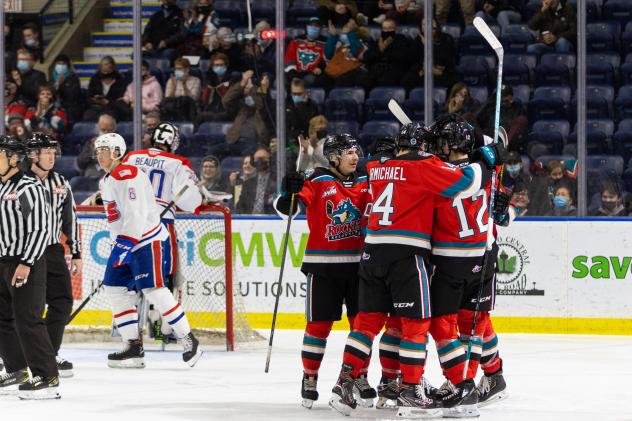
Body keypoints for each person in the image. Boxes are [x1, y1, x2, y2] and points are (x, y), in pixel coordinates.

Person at [329, 122, 504, 417]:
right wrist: (487, 158)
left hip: (372, 254)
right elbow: (466, 181)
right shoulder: (427, 166)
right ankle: (413, 390)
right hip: (408, 255)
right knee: (419, 325)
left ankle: (344, 384)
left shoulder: (377, 166)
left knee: (367, 324)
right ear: (424, 148)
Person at [274, 134, 372, 409]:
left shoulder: (366, 180)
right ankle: (310, 377)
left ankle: (359, 376)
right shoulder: (317, 179)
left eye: (355, 151)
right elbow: (287, 210)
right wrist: (288, 191)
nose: (354, 157)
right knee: (318, 327)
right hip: (323, 266)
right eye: (348, 152)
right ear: (333, 157)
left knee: (361, 327)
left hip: (359, 267)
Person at [95, 132, 201, 368]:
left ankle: (188, 339)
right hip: (124, 242)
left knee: (154, 290)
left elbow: (136, 214)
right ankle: (133, 346)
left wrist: (126, 242)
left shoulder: (128, 174)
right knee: (114, 288)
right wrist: (120, 243)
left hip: (145, 241)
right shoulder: (108, 180)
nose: (100, 154)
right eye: (98, 150)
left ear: (116, 152)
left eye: (105, 149)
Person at [427, 115, 507, 414]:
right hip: (484, 253)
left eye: (441, 142)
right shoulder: (484, 170)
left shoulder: (439, 172)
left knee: (446, 324)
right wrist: (492, 155)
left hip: (451, 258)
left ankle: (462, 384)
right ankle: (486, 376)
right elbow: (488, 153)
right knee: (474, 323)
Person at [122, 123, 204, 340]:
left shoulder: (131, 157)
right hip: (161, 226)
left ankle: (126, 331)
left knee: (127, 278)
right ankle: (164, 330)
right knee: (164, 278)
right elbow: (189, 201)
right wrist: (202, 197)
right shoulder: (178, 163)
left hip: (130, 225)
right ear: (173, 142)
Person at [0, 136, 59, 399]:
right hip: (2, 261)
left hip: (25, 262)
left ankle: (47, 376)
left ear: (14, 158)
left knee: (29, 320)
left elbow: (40, 228)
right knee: (2, 319)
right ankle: (17, 369)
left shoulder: (28, 187)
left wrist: (25, 263)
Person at [24, 134, 81, 378]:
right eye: (46, 152)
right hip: (24, 251)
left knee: (62, 301)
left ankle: (48, 353)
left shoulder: (60, 182)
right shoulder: (19, 182)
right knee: (28, 307)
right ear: (33, 155)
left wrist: (76, 252)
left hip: (53, 250)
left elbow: (70, 218)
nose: (51, 156)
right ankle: (17, 356)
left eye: (52, 152)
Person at [402, 16, 457, 91]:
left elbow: (447, 57)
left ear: (436, 26)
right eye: (424, 24)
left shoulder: (446, 38)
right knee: (407, 80)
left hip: (442, 70)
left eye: (431, 24)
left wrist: (429, 45)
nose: (427, 27)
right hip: (423, 70)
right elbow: (412, 57)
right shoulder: (419, 39)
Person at [360, 18, 412, 90]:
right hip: (376, 69)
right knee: (364, 81)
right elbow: (366, 57)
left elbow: (404, 57)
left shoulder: (401, 40)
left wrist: (388, 48)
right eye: (384, 28)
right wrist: (380, 49)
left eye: (390, 28)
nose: (387, 31)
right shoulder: (379, 41)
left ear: (396, 29)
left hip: (394, 69)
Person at [476, 85, 528, 153]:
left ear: (511, 97)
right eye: (499, 96)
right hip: (490, 141)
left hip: (509, 142)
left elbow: (522, 123)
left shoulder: (517, 108)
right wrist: (488, 101)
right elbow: (476, 118)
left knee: (521, 119)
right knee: (468, 117)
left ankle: (502, 149)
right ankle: (491, 149)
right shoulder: (490, 108)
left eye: (504, 96)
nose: (501, 98)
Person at [284, 17, 327, 87]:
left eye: (316, 26)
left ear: (320, 29)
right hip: (295, 72)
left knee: (307, 81)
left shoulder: (325, 42)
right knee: (280, 82)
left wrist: (321, 67)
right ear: (307, 27)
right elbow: (289, 56)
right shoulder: (297, 40)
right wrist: (292, 72)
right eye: (311, 25)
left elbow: (327, 57)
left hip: (312, 73)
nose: (313, 28)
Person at [84, 56, 128, 121]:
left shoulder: (120, 80)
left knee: (109, 116)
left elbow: (121, 98)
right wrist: (95, 99)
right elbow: (89, 95)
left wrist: (109, 102)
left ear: (113, 68)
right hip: (97, 106)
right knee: (88, 116)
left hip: (114, 108)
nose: (106, 73)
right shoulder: (95, 79)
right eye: (104, 70)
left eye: (108, 69)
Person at [235, 147, 276, 214]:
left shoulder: (278, 181)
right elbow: (240, 206)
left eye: (262, 158)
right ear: (253, 162)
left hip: (271, 220)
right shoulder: (247, 184)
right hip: (250, 220)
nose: (260, 161)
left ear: (270, 160)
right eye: (257, 159)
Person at [197, 52, 234, 124]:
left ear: (226, 66)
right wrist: (208, 88)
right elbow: (204, 100)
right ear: (212, 66)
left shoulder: (232, 79)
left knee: (217, 117)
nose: (219, 67)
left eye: (221, 65)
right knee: (200, 116)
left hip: (227, 111)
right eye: (216, 65)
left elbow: (231, 99)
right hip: (212, 110)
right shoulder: (210, 79)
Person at [50, 54, 83, 123]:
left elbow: (73, 96)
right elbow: (49, 95)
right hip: (55, 107)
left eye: (63, 64)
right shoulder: (52, 78)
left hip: (69, 108)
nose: (60, 66)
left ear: (67, 66)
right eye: (58, 64)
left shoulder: (73, 78)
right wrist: (56, 86)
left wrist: (61, 84)